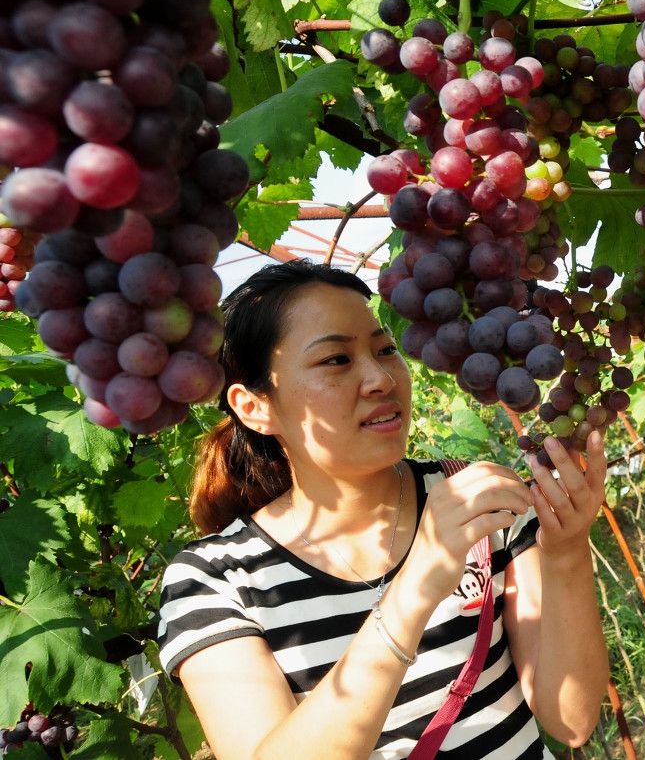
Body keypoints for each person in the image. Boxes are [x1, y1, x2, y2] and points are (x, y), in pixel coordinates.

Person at [157, 261, 609, 760]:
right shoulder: (212, 580)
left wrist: (565, 551)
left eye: (385, 350)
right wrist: (417, 584)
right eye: (335, 360)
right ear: (253, 406)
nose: (379, 378)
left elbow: (571, 721)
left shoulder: (472, 496)